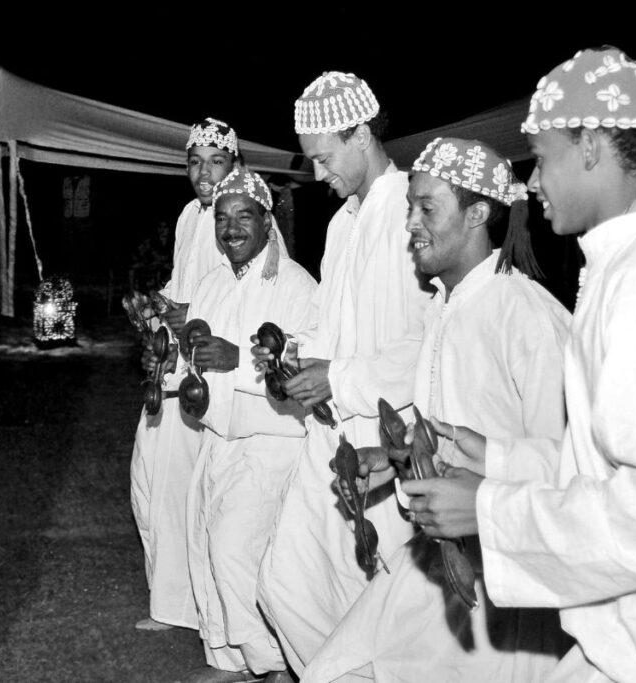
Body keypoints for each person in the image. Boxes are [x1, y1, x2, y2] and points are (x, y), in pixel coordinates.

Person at [404, 47, 636, 682]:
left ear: (590, 146)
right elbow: (602, 467)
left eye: (544, 157)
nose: (531, 183)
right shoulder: (621, 273)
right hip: (616, 635)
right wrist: (497, 460)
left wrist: (489, 510)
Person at [302, 138, 571, 683]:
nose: (411, 225)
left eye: (428, 209)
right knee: (337, 666)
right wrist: (391, 459)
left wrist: (485, 502)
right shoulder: (441, 307)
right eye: (410, 208)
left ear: (477, 215)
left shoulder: (525, 314)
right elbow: (451, 435)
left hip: (507, 586)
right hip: (434, 558)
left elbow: (567, 468)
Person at [254, 71, 429, 675]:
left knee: (386, 596)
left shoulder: (416, 207)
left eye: (325, 158)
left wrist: (342, 377)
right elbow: (334, 327)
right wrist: (297, 359)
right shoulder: (340, 224)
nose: (319, 174)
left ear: (361, 134)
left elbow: (430, 338)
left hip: (392, 438)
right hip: (331, 431)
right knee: (285, 582)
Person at [174, 168, 316, 683]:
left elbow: (304, 363)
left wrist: (236, 361)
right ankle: (231, 660)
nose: (231, 229)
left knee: (236, 548)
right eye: (223, 219)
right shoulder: (212, 283)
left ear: (265, 222)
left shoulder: (296, 284)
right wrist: (178, 366)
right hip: (219, 437)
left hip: (271, 438)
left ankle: (273, 662)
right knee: (207, 543)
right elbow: (193, 356)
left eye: (243, 217)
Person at [129, 118, 240, 631]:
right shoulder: (189, 215)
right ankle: (171, 602)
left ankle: (200, 610)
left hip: (211, 369)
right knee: (151, 479)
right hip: (174, 360)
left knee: (189, 490)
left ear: (233, 164)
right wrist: (154, 313)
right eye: (195, 161)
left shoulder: (241, 214)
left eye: (216, 161)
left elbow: (248, 296)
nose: (204, 172)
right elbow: (181, 282)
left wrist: (190, 312)